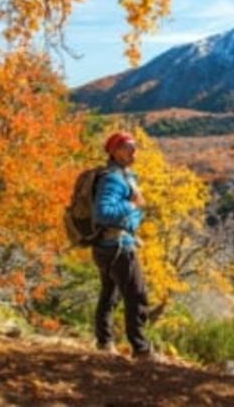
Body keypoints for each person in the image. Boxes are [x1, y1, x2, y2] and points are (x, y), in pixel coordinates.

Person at [91, 131, 153, 357]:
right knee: (137, 295)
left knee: (110, 294)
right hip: (117, 247)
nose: (134, 150)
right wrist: (132, 205)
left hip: (108, 244)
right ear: (114, 152)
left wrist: (133, 232)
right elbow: (103, 213)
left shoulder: (124, 176)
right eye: (127, 147)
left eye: (134, 146)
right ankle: (141, 349)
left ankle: (105, 343)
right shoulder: (113, 179)